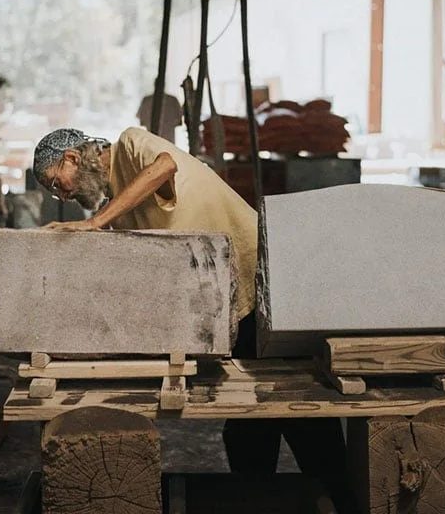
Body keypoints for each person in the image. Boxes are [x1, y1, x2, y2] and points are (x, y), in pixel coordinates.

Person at [31, 126, 357, 512]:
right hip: (225, 302)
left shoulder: (131, 145)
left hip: (264, 282)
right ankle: (270, 501)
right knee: (250, 425)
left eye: (56, 183)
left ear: (71, 158)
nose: (62, 196)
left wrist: (95, 223)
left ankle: (345, 501)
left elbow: (165, 166)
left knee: (300, 410)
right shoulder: (118, 203)